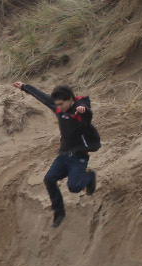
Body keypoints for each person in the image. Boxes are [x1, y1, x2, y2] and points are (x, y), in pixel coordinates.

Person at [13, 81, 98, 228]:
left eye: (61, 104)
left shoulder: (80, 109)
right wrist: (25, 87)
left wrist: (83, 110)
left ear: (70, 99)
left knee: (74, 187)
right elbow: (43, 97)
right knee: (49, 179)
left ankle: (90, 177)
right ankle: (59, 212)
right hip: (63, 155)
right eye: (57, 104)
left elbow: (87, 113)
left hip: (78, 156)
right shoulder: (59, 109)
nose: (58, 107)